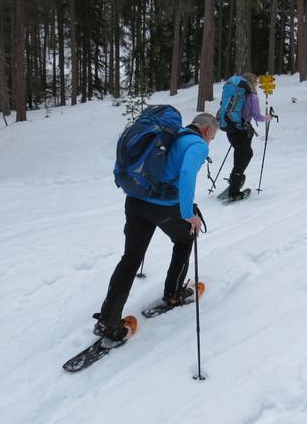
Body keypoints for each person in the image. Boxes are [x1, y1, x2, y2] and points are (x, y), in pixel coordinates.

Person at [93, 113, 219, 341]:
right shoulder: (197, 144)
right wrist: (189, 214)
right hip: (162, 206)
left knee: (131, 258)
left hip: (135, 200)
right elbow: (187, 173)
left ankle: (108, 321)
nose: (211, 141)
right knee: (185, 238)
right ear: (208, 131)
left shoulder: (170, 134)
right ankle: (174, 293)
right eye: (213, 137)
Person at [226, 73, 272, 201]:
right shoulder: (252, 96)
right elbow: (256, 115)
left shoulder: (233, 93)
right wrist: (267, 118)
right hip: (243, 130)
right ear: (253, 82)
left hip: (230, 128)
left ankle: (235, 179)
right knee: (244, 156)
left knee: (240, 154)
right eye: (256, 82)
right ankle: (234, 191)